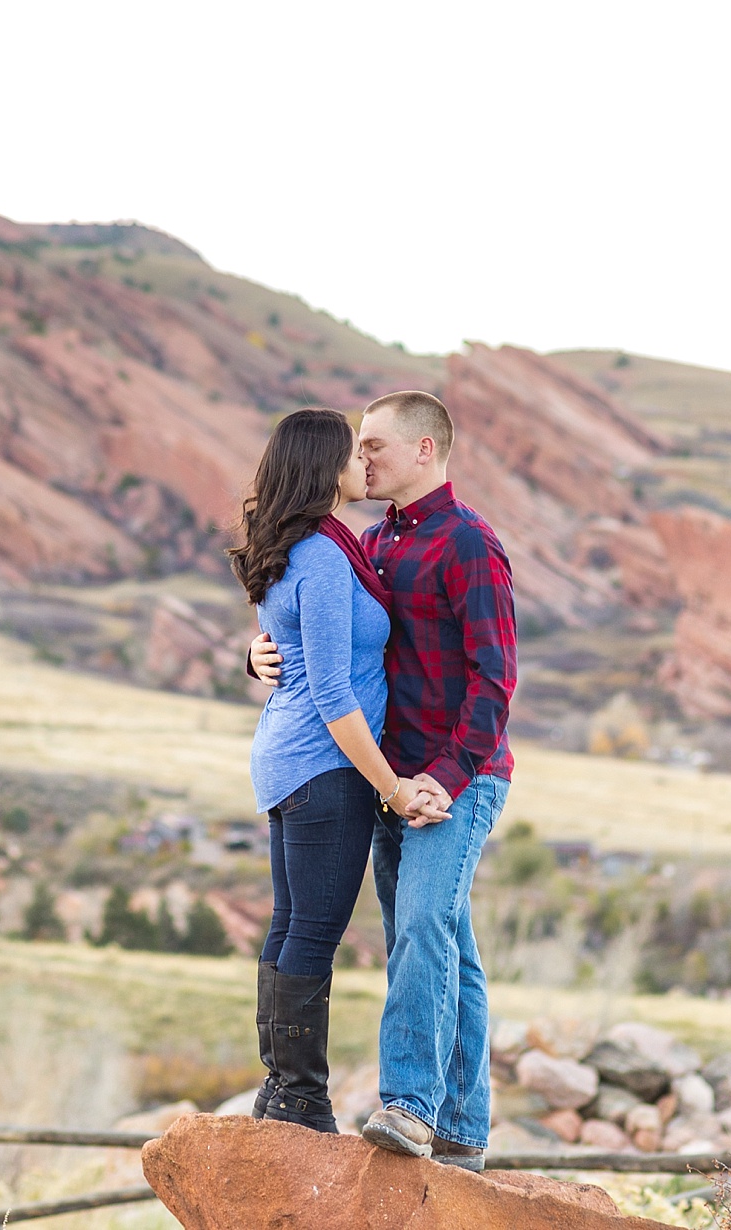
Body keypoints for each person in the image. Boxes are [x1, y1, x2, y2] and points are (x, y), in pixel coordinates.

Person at [248, 391, 517, 1169]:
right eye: (356, 448)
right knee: (448, 944)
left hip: (451, 778)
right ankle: (464, 1129)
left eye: (375, 447)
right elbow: (314, 627)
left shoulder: (470, 545)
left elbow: (494, 682)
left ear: (426, 451)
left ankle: (407, 1105)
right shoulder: (371, 542)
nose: (361, 460)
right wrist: (260, 654)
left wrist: (441, 777)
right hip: (389, 774)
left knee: (423, 928)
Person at [227, 407, 448, 1133]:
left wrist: (256, 654)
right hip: (324, 765)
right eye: (354, 453)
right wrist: (388, 784)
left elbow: (280, 642)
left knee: (291, 924)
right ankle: (298, 1097)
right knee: (312, 931)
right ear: (327, 469)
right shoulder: (322, 556)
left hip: (288, 760)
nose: (364, 463)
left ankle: (279, 1091)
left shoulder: (303, 545)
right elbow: (330, 690)